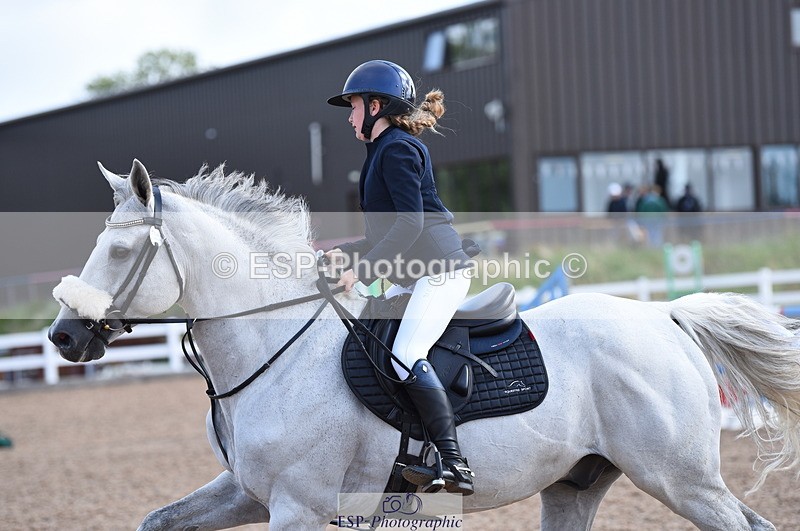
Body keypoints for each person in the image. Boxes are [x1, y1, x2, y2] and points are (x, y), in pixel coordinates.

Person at [325, 60, 476, 495]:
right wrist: (346, 253)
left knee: (405, 353)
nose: (350, 115)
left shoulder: (397, 149)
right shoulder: (381, 152)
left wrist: (362, 270)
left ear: (376, 105)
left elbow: (410, 224)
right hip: (413, 273)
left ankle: (453, 460)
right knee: (372, 342)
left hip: (440, 271)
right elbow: (386, 232)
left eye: (353, 106)